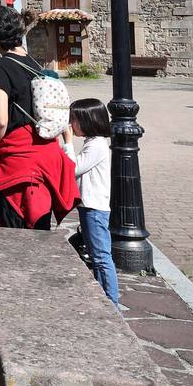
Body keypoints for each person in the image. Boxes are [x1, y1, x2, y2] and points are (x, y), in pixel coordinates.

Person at [0, 4, 77, 229]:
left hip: (20, 158)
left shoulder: (0, 67)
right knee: (39, 225)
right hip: (47, 154)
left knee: (18, 228)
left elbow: (0, 120)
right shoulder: (34, 64)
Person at [70, 98, 118, 306]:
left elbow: (73, 168)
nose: (71, 124)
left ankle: (111, 302)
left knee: (100, 256)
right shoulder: (93, 143)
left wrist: (65, 142)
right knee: (95, 254)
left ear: (87, 121)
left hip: (94, 208)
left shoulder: (97, 145)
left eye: (74, 120)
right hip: (89, 206)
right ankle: (103, 297)